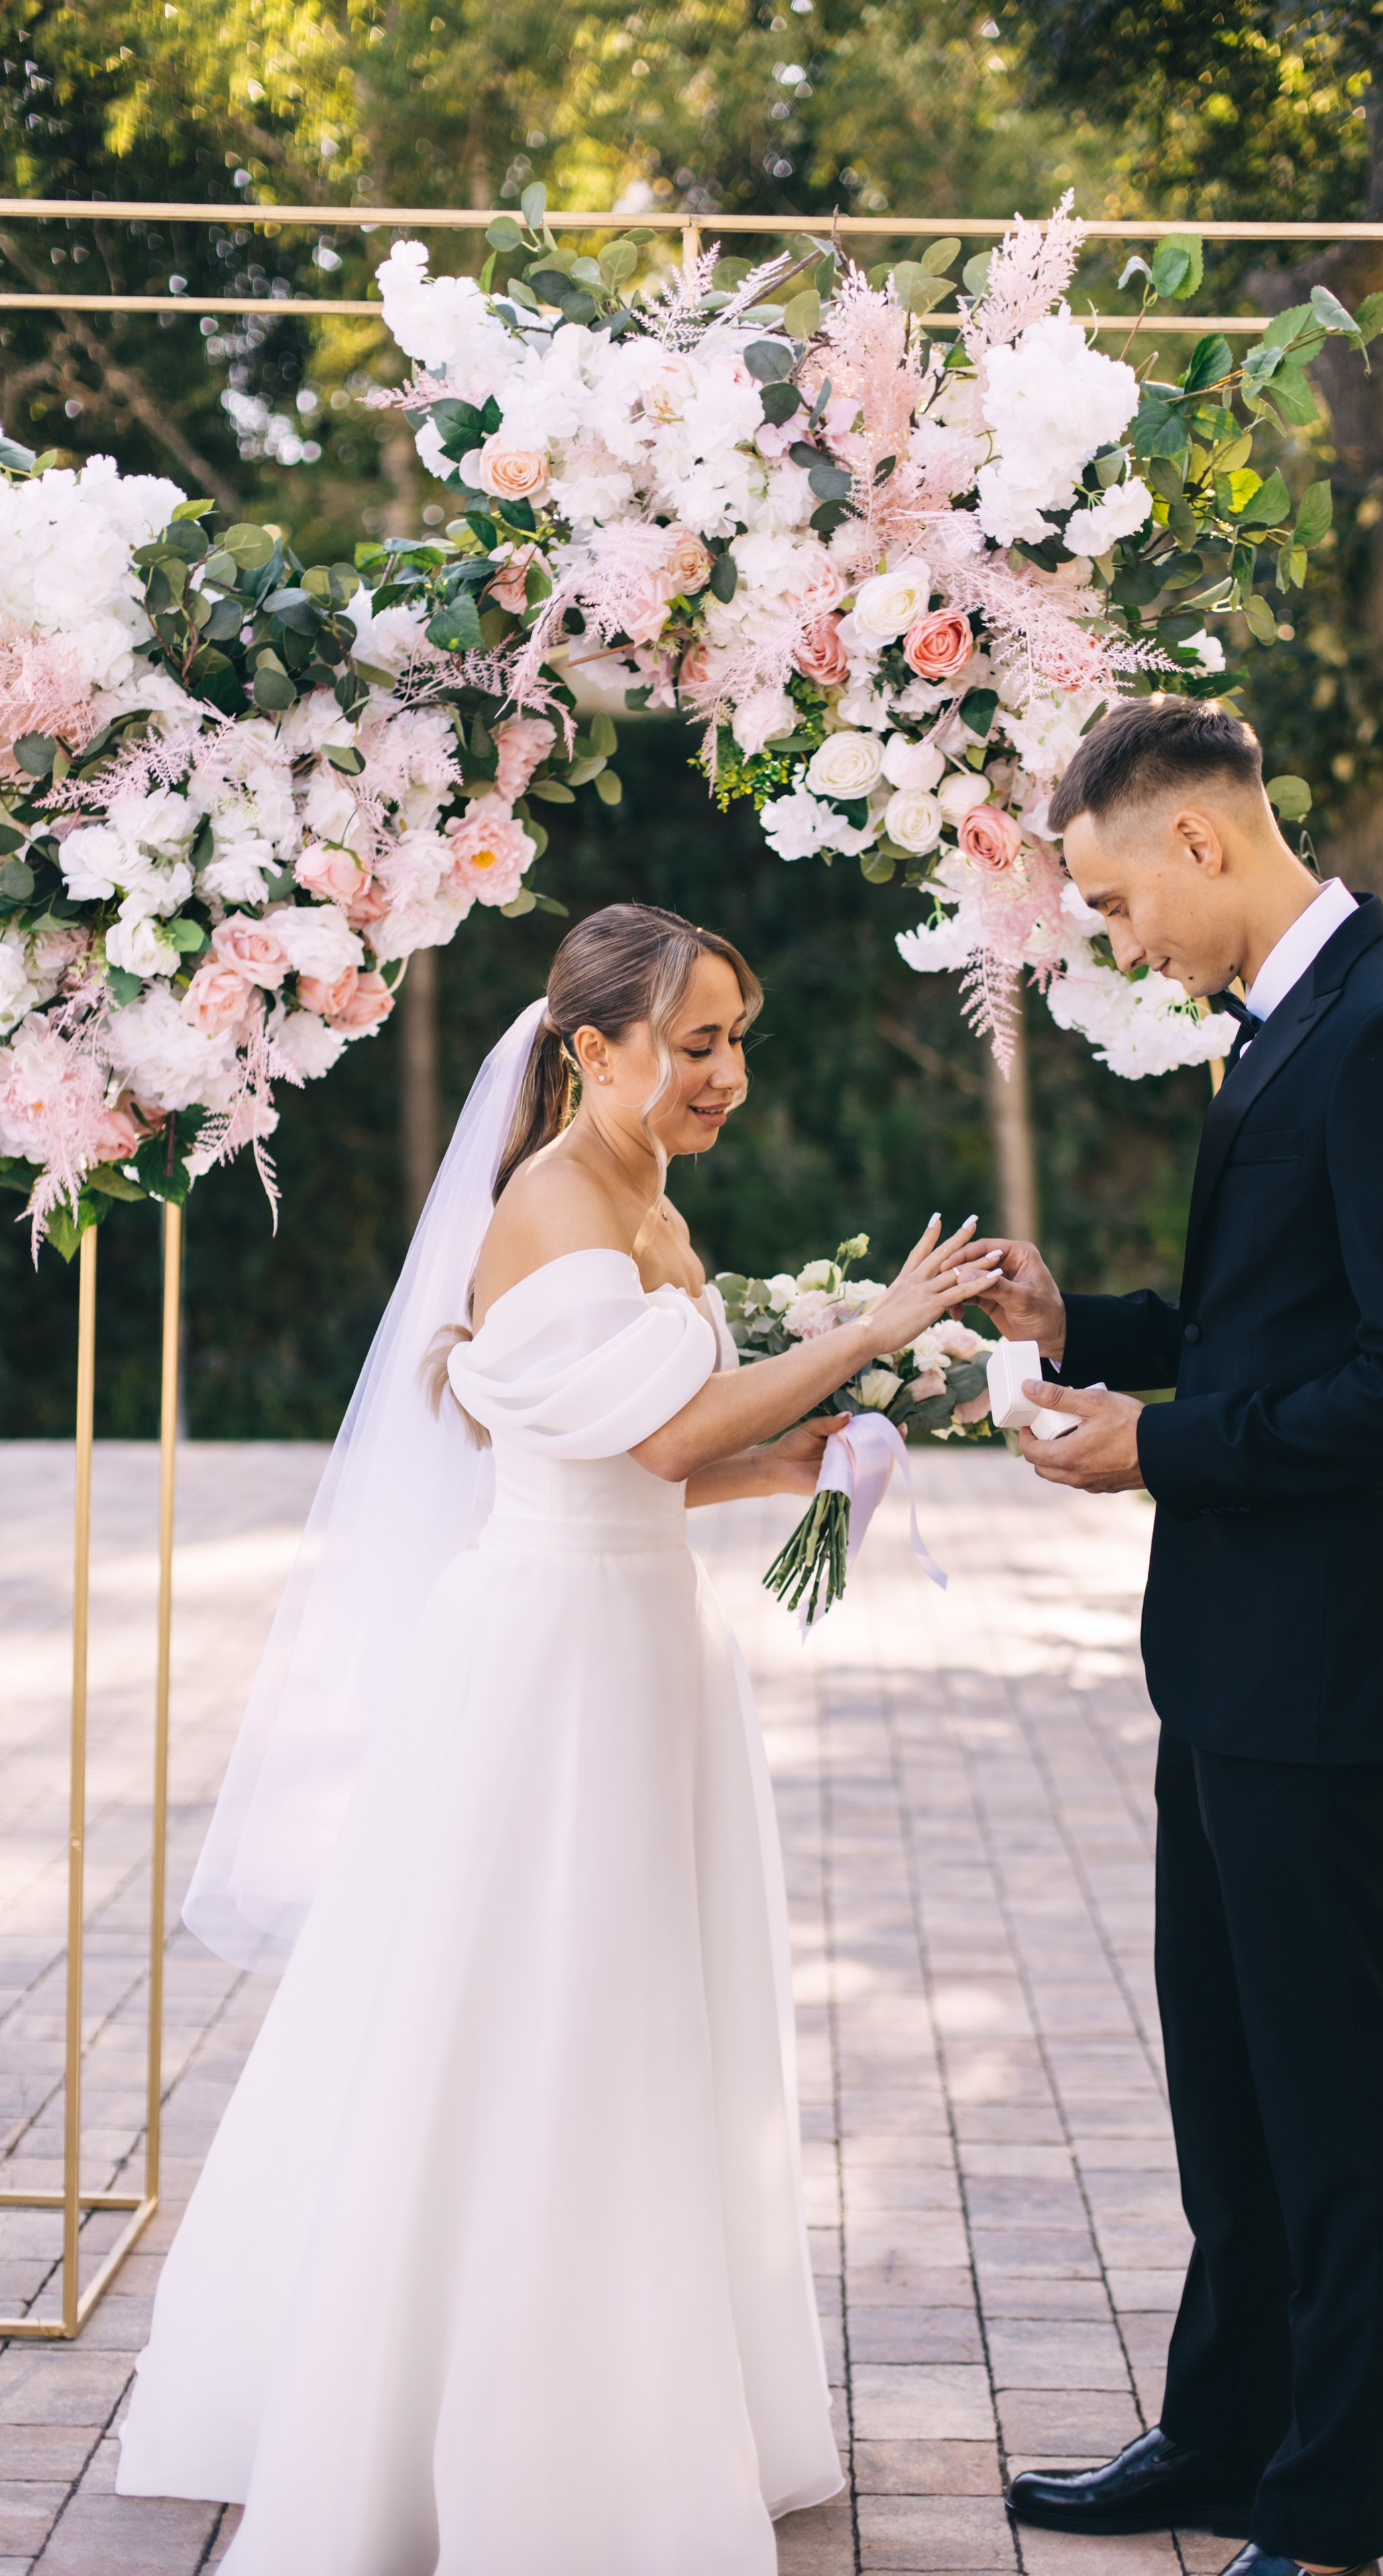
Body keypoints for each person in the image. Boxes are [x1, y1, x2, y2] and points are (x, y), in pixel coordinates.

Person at [116, 902, 1001, 2575]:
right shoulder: (551, 1205)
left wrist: (824, 1453)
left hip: (642, 1639)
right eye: (695, 1044)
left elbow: (663, 1460)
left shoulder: (651, 1200)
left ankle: (631, 2392)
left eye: (737, 1039)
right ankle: (502, 2432)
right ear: (590, 1050)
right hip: (550, 1670)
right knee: (543, 2016)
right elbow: (664, 1439)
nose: (724, 1075)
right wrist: (868, 1334)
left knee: (635, 2018)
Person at [970, 700, 1383, 2576]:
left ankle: (1327, 2504)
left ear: (1199, 842)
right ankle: (1218, 2442)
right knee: (1227, 2078)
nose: (1120, 945)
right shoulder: (1284, 1029)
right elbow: (1283, 1321)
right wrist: (1097, 1334)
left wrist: (1167, 1449)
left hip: (1338, 1662)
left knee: (1338, 2095)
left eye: (1118, 904)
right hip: (1235, 1655)